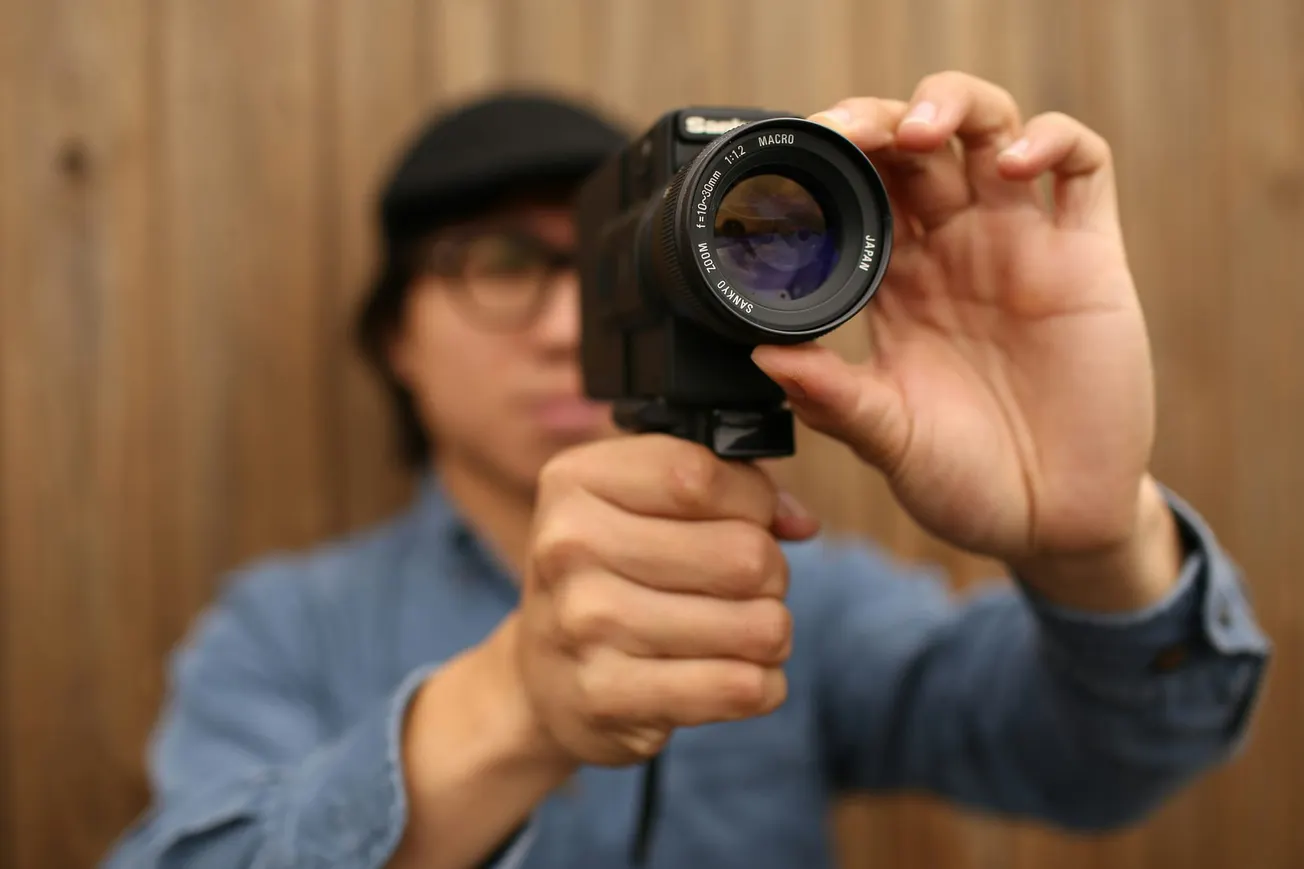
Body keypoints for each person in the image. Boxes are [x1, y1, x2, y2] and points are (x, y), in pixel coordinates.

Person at [102, 75, 1270, 869]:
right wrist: (510, 704)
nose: (562, 325)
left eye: (600, 261)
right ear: (395, 340)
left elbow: (1106, 760)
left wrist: (1087, 542)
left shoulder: (801, 593)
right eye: (499, 262)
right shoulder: (283, 627)